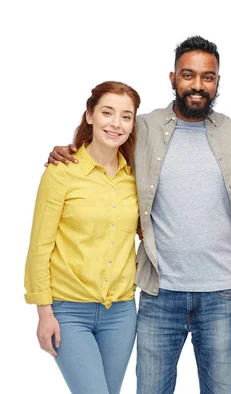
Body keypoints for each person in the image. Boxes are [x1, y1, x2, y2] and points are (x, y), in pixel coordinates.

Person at [47, 36, 231, 394]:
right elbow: (105, 143)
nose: (198, 85)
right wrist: (68, 148)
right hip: (157, 292)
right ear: (172, 78)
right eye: (188, 75)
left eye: (207, 77)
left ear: (217, 81)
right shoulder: (143, 127)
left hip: (221, 295)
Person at [25, 81, 140, 394]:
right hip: (68, 311)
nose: (116, 123)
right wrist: (43, 312)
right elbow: (39, 247)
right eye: (107, 112)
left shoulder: (136, 177)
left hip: (121, 312)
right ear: (90, 115)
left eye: (126, 116)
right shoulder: (61, 172)